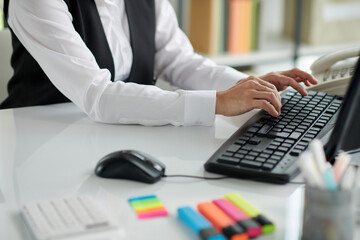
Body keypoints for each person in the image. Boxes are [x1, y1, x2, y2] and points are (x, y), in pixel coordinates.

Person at [0, 0, 317, 126]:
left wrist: (248, 86)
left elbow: (180, 61)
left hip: (118, 131)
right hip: (36, 138)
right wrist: (218, 102)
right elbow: (98, 95)